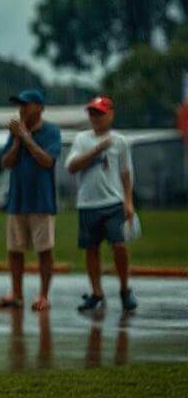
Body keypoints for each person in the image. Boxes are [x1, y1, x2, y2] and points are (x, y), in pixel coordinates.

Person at [65, 96, 137, 313]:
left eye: (100, 113)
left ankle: (125, 289)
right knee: (91, 248)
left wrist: (128, 200)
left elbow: (126, 173)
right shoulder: (81, 139)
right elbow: (72, 166)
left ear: (110, 115)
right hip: (88, 203)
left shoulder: (120, 141)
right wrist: (96, 150)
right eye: (92, 114)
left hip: (113, 201)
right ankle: (97, 292)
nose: (95, 118)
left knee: (119, 245)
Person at [0, 89, 61, 312]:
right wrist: (17, 141)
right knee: (14, 249)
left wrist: (26, 138)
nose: (21, 109)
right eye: (19, 105)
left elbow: (48, 160)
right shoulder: (15, 133)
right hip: (17, 199)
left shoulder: (51, 131)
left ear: (39, 108)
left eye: (26, 105)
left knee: (44, 250)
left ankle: (43, 295)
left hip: (41, 200)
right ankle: (17, 294)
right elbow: (6, 163)